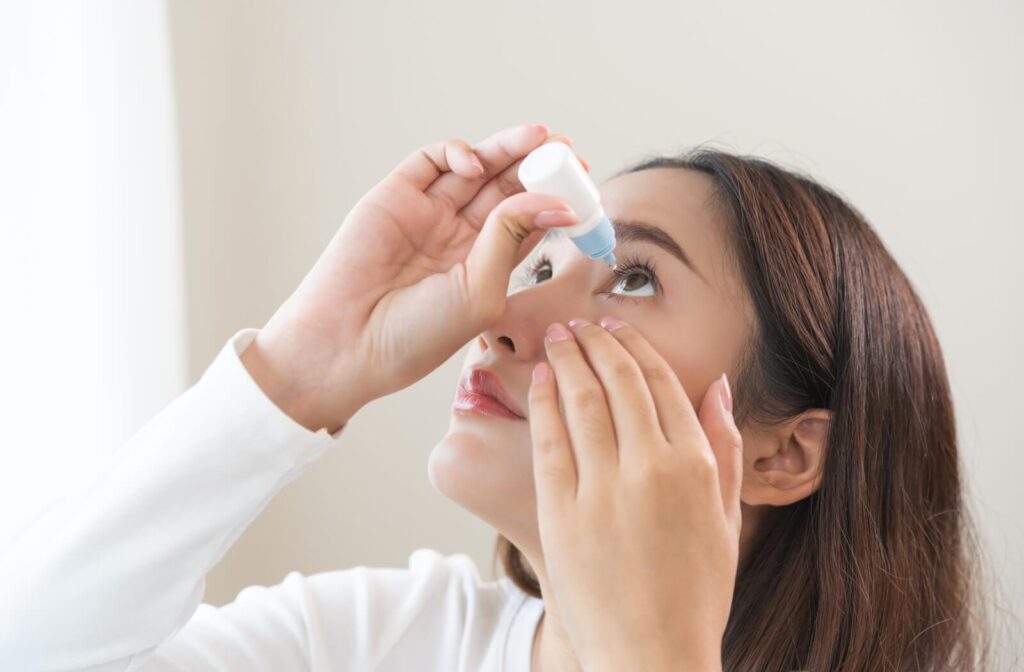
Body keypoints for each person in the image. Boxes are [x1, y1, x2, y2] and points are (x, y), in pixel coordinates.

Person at [0, 124, 988, 671]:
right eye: (541, 262)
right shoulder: (372, 639)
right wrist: (300, 370)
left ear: (783, 454)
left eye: (631, 278)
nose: (501, 315)